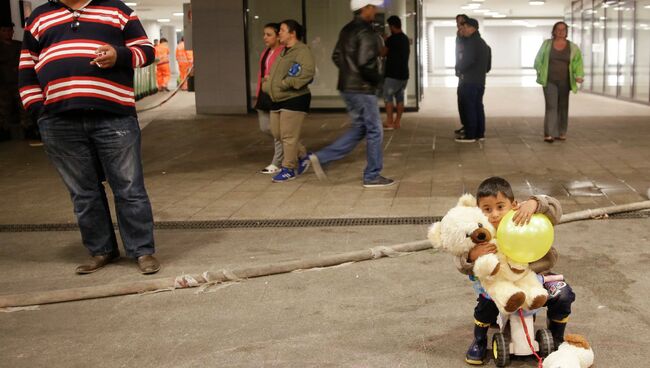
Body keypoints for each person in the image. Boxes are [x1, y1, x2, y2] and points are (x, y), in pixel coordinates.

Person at [18, 0, 160, 275]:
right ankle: (101, 250)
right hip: (58, 120)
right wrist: (39, 111)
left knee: (129, 188)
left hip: (114, 115)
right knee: (83, 193)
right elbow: (26, 69)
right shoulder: (39, 17)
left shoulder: (118, 10)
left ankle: (142, 250)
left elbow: (146, 51)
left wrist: (119, 55)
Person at [458, 177, 575, 365]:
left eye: (500, 206)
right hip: (498, 282)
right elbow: (459, 257)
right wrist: (471, 256)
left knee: (563, 294)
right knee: (487, 302)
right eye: (487, 209)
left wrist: (535, 203)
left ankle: (557, 337)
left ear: (513, 204)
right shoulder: (479, 231)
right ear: (478, 211)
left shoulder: (523, 216)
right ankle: (479, 340)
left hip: (537, 277)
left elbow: (556, 209)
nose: (494, 215)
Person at [308, 0, 394, 188]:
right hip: (362, 89)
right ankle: (372, 175)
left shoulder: (346, 29)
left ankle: (321, 157)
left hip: (347, 88)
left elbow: (336, 56)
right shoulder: (367, 31)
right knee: (375, 130)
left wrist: (349, 74)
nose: (375, 10)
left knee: (360, 128)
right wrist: (378, 80)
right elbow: (365, 62)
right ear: (365, 8)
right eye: (372, 7)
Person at [261, 19, 315, 183]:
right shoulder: (284, 51)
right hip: (277, 99)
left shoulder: (302, 50)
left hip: (294, 98)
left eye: (282, 30)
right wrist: (267, 84)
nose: (279, 33)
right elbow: (274, 74)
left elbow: (306, 73)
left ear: (293, 33)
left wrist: (285, 84)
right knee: (278, 134)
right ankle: (304, 156)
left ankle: (288, 168)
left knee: (288, 136)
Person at [534, 21, 584, 143]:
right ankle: (549, 134)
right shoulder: (546, 44)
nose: (561, 32)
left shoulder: (572, 47)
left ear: (566, 32)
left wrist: (579, 75)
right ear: (554, 31)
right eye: (558, 29)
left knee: (563, 107)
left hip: (565, 82)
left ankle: (561, 132)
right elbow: (538, 60)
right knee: (551, 106)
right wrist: (540, 70)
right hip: (549, 80)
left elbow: (578, 63)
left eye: (563, 30)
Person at [255, 23, 284, 175]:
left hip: (276, 95)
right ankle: (295, 148)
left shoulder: (283, 52)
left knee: (276, 129)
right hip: (264, 95)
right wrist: (258, 93)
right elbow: (261, 74)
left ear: (278, 36)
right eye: (264, 34)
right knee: (266, 127)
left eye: (269, 34)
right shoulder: (265, 52)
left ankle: (277, 162)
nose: (265, 37)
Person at [455, 18, 491, 143]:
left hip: (469, 81)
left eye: (465, 28)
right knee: (478, 107)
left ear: (472, 28)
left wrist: (459, 69)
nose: (462, 30)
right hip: (480, 81)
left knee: (469, 107)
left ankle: (470, 135)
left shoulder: (472, 42)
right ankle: (480, 134)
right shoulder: (482, 43)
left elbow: (468, 61)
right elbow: (488, 65)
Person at [0, 21, 31, 142]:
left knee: (24, 107)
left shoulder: (19, 45)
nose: (8, 33)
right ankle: (4, 132)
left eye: (10, 30)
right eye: (4, 30)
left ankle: (28, 130)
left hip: (19, 81)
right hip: (3, 83)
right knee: (3, 109)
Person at [381, 15, 409, 131]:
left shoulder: (391, 40)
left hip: (392, 74)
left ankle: (389, 122)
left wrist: (384, 41)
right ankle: (397, 122)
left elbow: (382, 53)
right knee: (399, 98)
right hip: (404, 75)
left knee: (388, 97)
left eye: (389, 26)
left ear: (392, 26)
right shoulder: (405, 38)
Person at [454, 14, 468, 138]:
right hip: (461, 73)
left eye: (462, 22)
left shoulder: (467, 37)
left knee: (466, 101)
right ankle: (465, 124)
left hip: (467, 74)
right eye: (458, 23)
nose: (459, 25)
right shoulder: (458, 36)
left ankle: (469, 127)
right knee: (461, 101)